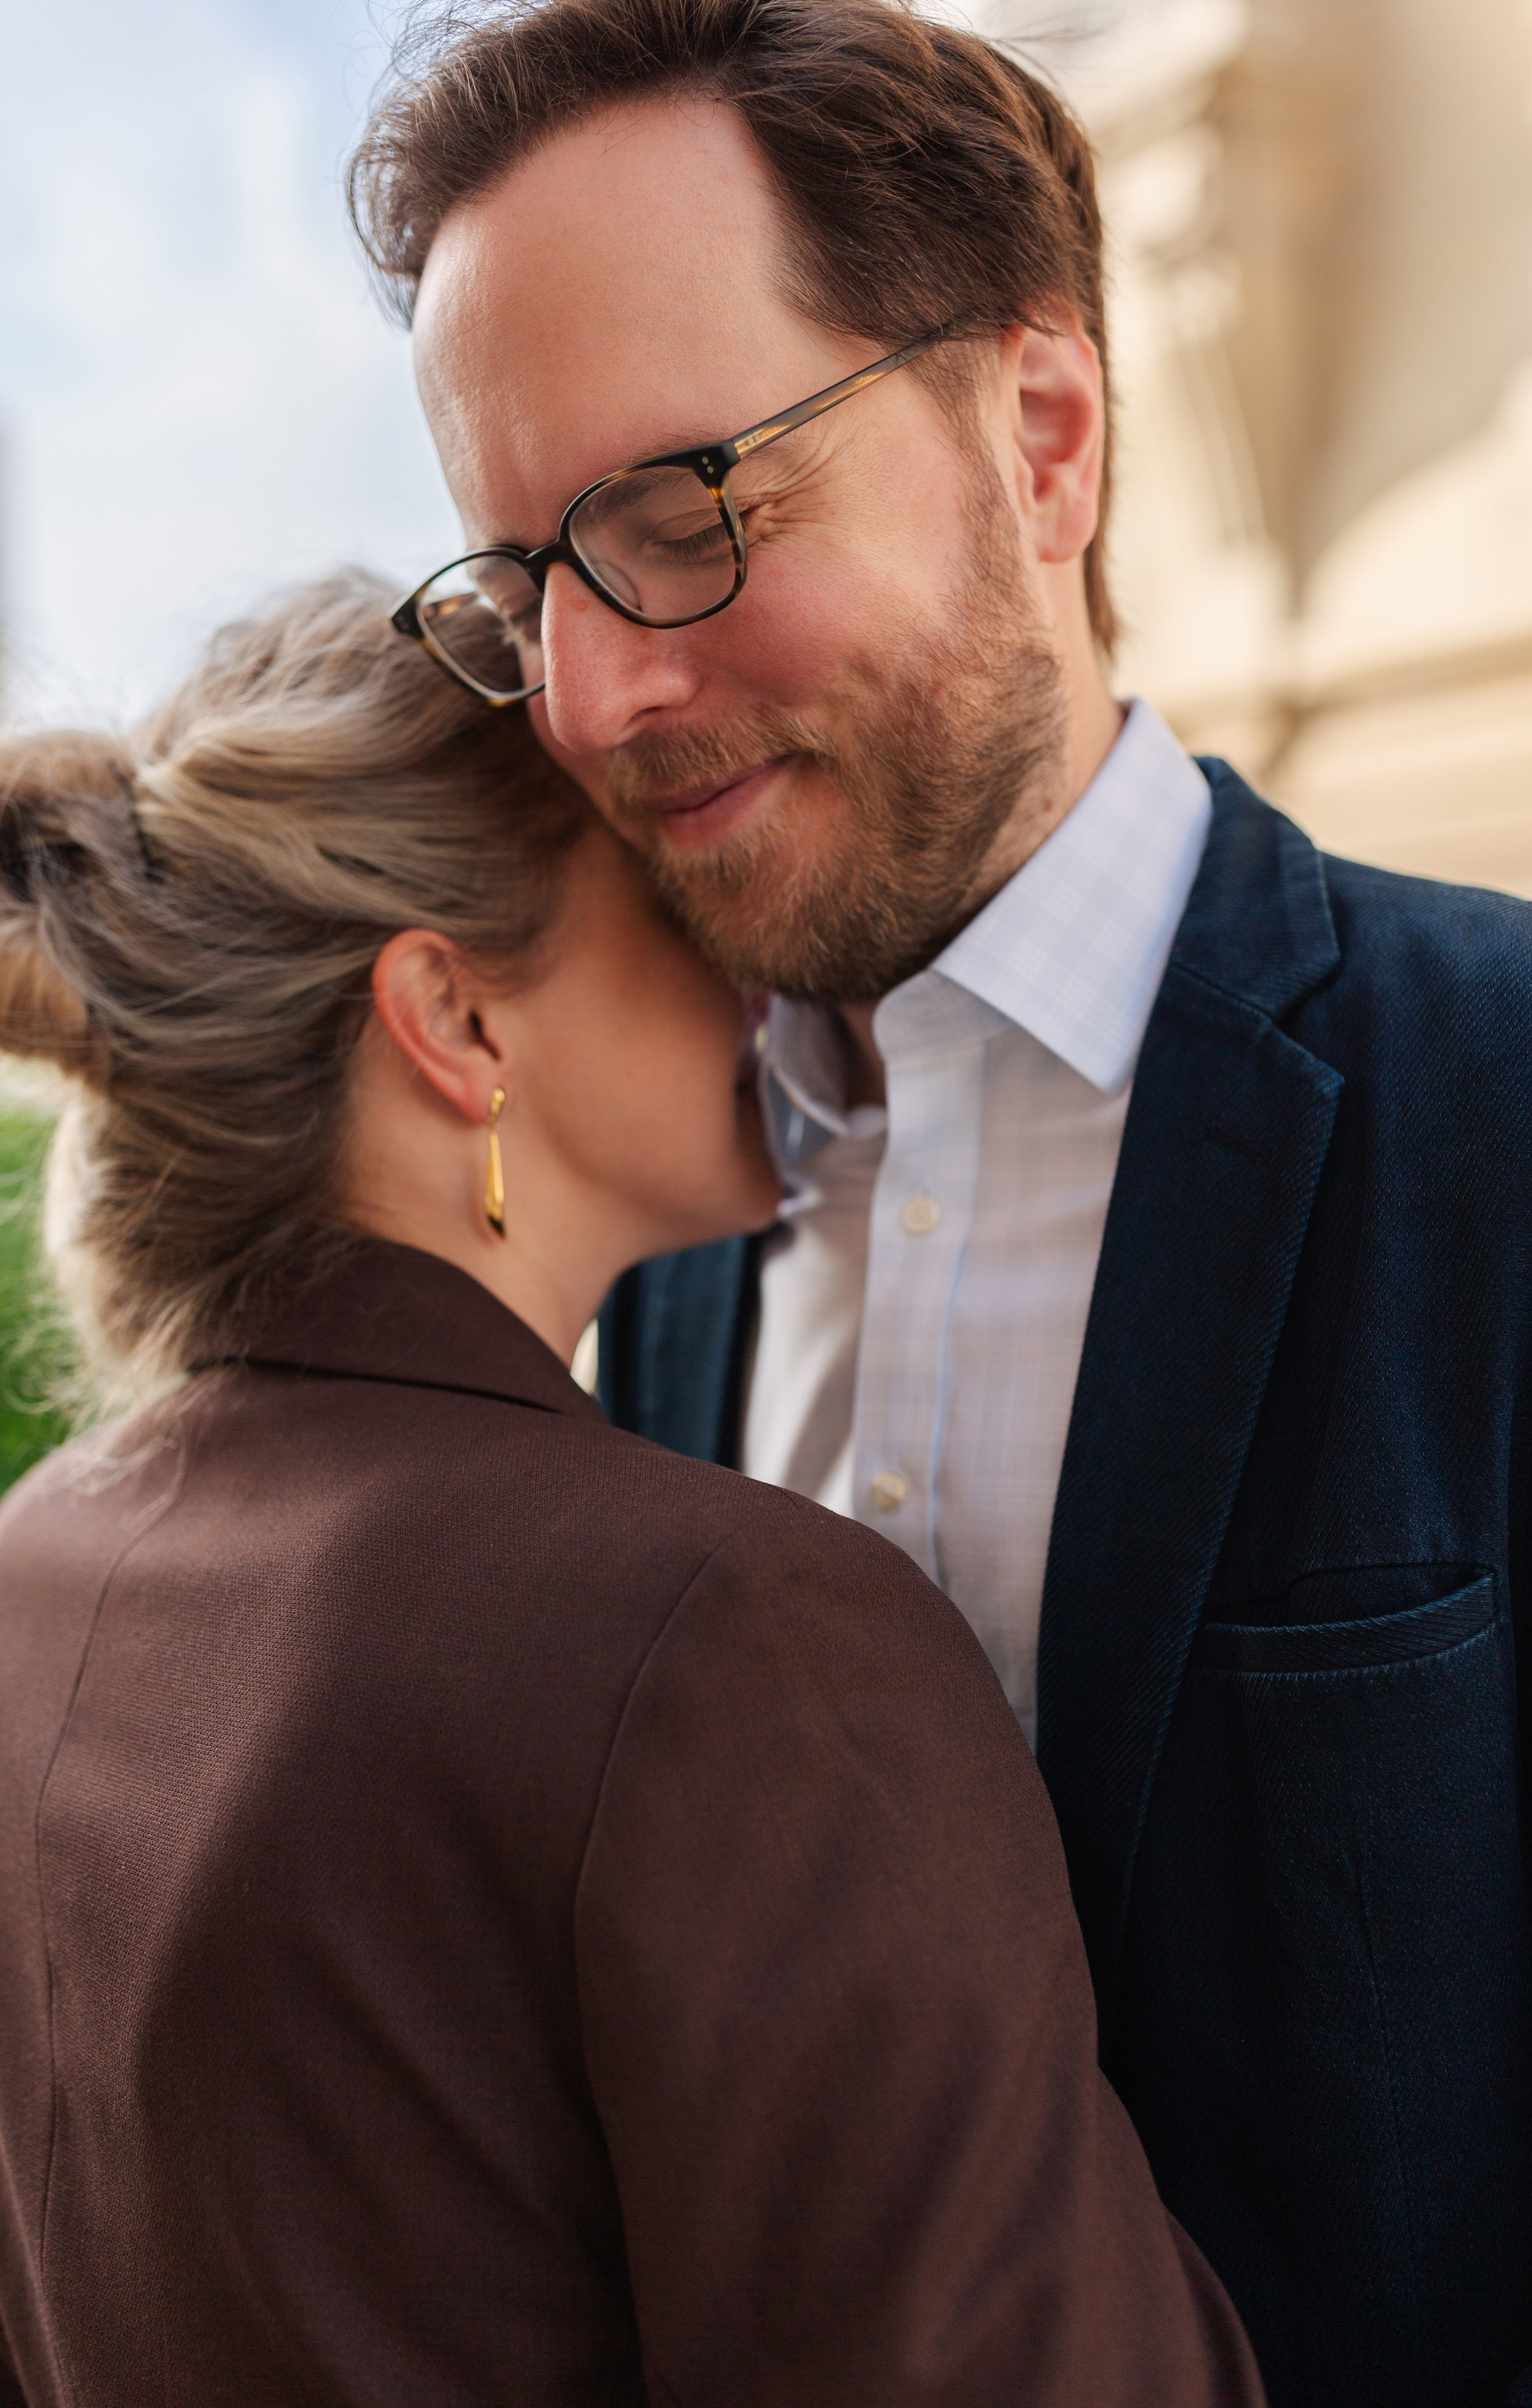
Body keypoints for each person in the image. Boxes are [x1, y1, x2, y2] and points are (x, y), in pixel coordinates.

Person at [351, 2, 1532, 2403]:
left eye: (685, 514)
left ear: (1048, 438)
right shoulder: (652, 1233)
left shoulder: (1495, 1097)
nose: (588, 696)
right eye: (519, 580)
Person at [0, 573, 1260, 2406]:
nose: (759, 947)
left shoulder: (24, 1582)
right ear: (452, 1019)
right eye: (666, 876)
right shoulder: (730, 1644)